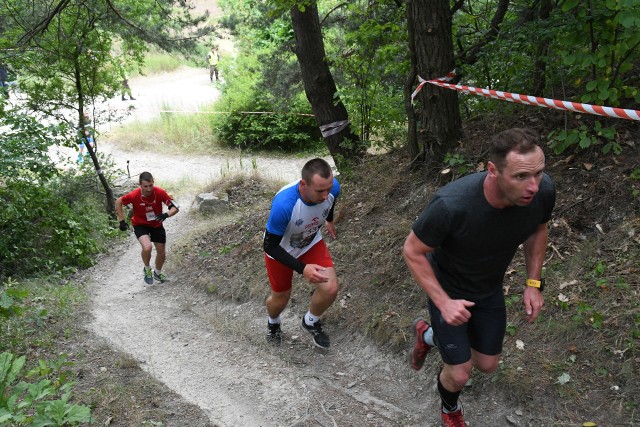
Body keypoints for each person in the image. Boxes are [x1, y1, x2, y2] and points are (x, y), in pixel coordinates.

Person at [402, 128, 556, 427]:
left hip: (488, 288)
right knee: (460, 372)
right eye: (521, 176)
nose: (534, 186)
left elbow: (539, 228)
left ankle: (427, 335)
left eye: (539, 173)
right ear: (493, 171)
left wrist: (533, 283)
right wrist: (444, 303)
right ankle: (450, 409)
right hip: (448, 288)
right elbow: (412, 251)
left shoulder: (543, 192)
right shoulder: (452, 204)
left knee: (487, 364)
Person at [263, 158, 340, 348]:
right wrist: (302, 268)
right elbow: (269, 246)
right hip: (281, 250)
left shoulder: (332, 188)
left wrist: (329, 220)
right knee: (280, 298)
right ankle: (273, 323)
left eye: (328, 189)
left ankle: (310, 321)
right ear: (303, 184)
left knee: (330, 288)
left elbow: (331, 201)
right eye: (320, 191)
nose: (325, 195)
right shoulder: (284, 205)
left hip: (310, 242)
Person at [116, 172, 179, 284]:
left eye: (150, 185)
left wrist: (166, 215)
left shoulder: (159, 192)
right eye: (145, 186)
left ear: (153, 182)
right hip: (140, 224)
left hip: (156, 224)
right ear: (140, 185)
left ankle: (158, 274)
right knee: (147, 247)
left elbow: (175, 207)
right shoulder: (135, 195)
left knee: (162, 252)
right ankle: (147, 269)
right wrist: (121, 221)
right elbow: (118, 201)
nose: (149, 189)